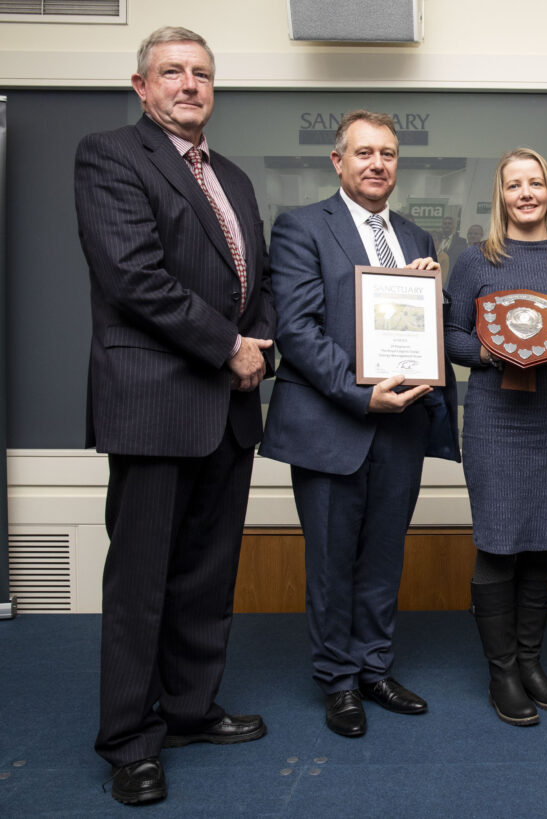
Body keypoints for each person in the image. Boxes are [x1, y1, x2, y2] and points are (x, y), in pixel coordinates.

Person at [74, 26, 276, 806]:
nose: (189, 84)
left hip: (228, 408)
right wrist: (230, 345)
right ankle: (129, 739)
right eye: (172, 73)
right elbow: (132, 276)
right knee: (141, 582)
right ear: (142, 86)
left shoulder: (230, 175)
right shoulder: (110, 156)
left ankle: (189, 710)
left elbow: (248, 279)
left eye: (201, 74)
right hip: (156, 402)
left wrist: (258, 340)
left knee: (205, 576)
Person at [260, 110, 460, 739]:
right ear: (338, 162)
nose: (378, 164)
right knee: (330, 563)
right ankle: (337, 681)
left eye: (389, 154)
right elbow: (296, 328)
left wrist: (433, 295)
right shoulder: (299, 228)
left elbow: (419, 329)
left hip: (400, 427)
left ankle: (374, 667)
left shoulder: (417, 240)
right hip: (331, 425)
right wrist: (358, 393)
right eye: (365, 152)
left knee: (382, 558)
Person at [445, 148, 547, 726]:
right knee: (498, 542)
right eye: (515, 185)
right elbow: (451, 336)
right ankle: (502, 673)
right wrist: (490, 354)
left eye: (535, 183)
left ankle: (532, 665)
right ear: (501, 197)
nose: (526, 194)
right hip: (496, 418)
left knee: (541, 543)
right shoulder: (475, 261)